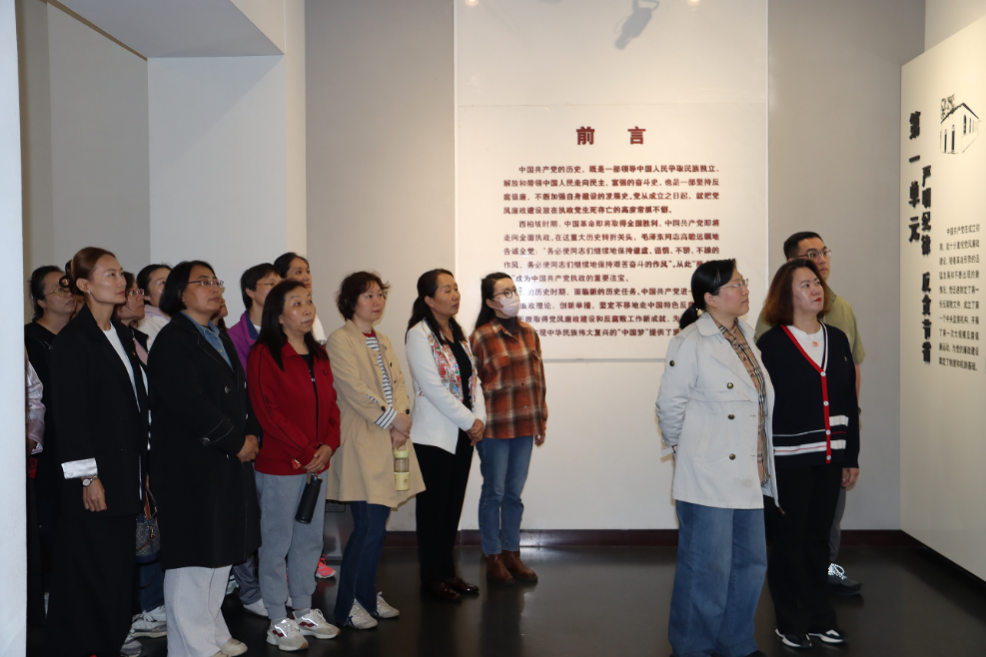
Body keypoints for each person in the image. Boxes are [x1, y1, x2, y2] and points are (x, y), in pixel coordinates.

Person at [655, 259, 776, 657]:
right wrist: (692, 452)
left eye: (743, 282)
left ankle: (736, 642)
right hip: (708, 474)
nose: (744, 289)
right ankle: (692, 647)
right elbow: (669, 408)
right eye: (735, 284)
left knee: (750, 565)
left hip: (750, 472)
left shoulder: (747, 336)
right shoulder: (690, 341)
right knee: (706, 569)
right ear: (709, 297)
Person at [148, 260, 261, 657]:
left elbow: (241, 395)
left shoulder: (217, 336)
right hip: (189, 467)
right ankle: (190, 646)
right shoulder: (173, 340)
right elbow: (190, 405)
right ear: (180, 293)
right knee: (193, 560)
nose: (214, 288)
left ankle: (211, 631)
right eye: (203, 282)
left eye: (216, 281)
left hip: (222, 462)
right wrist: (236, 441)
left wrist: (252, 434)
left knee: (219, 553)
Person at [44, 247, 149, 657]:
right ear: (84, 285)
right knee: (92, 573)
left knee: (117, 573)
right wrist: (88, 477)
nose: (121, 281)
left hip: (124, 472)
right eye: (109, 274)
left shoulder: (122, 335)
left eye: (121, 273)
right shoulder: (73, 341)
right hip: (94, 479)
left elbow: (135, 408)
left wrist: (143, 469)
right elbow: (69, 419)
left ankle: (107, 643)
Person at [756, 259, 859, 649]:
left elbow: (848, 401)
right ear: (786, 295)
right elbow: (762, 409)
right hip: (789, 459)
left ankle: (820, 617)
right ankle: (789, 621)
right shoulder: (771, 345)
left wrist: (851, 456)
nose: (816, 289)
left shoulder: (838, 339)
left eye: (816, 283)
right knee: (789, 540)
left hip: (830, 458)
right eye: (805, 285)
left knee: (819, 540)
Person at [324, 271, 423, 629]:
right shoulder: (340, 340)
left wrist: (401, 420)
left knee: (378, 528)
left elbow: (399, 384)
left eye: (380, 294)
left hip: (389, 439)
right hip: (362, 440)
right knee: (366, 527)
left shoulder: (381, 339)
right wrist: (395, 421)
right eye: (368, 295)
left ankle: (366, 595)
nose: (376, 301)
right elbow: (354, 390)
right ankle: (347, 605)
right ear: (351, 302)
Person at [248, 280, 342, 650]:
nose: (306, 308)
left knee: (309, 539)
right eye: (296, 303)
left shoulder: (318, 354)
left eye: (309, 301)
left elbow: (332, 406)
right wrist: (306, 449)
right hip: (281, 464)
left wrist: (328, 445)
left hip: (316, 464)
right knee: (276, 542)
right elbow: (267, 412)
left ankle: (303, 608)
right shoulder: (264, 354)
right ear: (278, 314)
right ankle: (276, 617)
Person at [405, 269, 486, 601]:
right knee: (433, 512)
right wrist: (470, 421)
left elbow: (472, 381)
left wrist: (479, 419)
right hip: (434, 438)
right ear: (428, 299)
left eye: (456, 289)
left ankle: (448, 573)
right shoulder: (418, 335)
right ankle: (431, 578)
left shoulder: (456, 331)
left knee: (451, 509)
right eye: (447, 290)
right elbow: (433, 389)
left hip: (462, 435)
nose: (455, 295)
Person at [470, 273, 547, 585]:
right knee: (494, 492)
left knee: (513, 495)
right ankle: (493, 556)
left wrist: (541, 419)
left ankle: (512, 553)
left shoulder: (529, 332)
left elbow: (538, 379)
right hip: (494, 428)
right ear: (490, 302)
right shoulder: (481, 337)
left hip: (525, 425)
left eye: (513, 290)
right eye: (503, 292)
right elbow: (472, 386)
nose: (511, 296)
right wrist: (474, 423)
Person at [114, 272, 169, 651]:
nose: (136, 297)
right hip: (124, 456)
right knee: (132, 533)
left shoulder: (140, 340)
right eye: (131, 291)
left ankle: (150, 606)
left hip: (151, 448)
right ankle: (133, 613)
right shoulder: (111, 343)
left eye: (136, 290)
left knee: (150, 528)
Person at [24, 265, 75, 610]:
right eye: (59, 288)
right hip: (45, 449)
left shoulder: (80, 338)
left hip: (76, 447)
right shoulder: (28, 339)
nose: (68, 293)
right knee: (46, 523)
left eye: (70, 286)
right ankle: (46, 593)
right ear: (41, 301)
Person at [229, 263, 282, 371]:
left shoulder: (288, 327)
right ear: (250, 291)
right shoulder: (235, 336)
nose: (279, 290)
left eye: (281, 285)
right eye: (271, 284)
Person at [275, 253, 326, 342]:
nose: (307, 277)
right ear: (281, 279)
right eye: (299, 272)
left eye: (308, 271)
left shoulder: (312, 314)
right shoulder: (276, 314)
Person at [137, 264, 171, 349]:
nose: (172, 287)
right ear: (145, 294)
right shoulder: (146, 326)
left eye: (173, 281)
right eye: (162, 283)